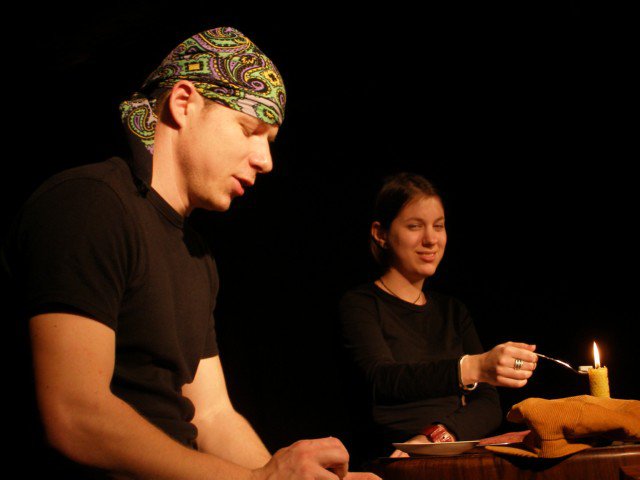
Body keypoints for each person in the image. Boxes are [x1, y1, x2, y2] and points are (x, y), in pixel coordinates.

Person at [4, 26, 378, 480]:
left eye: (270, 141)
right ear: (184, 104)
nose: (266, 160)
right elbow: (77, 417)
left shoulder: (197, 257)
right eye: (250, 130)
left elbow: (213, 416)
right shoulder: (91, 205)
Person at [339, 172, 538, 460]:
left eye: (438, 226)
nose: (431, 239)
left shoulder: (452, 311)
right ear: (381, 234)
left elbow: (488, 403)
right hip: (387, 462)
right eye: (415, 226)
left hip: (450, 455)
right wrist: (473, 366)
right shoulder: (360, 304)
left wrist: (435, 437)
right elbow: (382, 379)